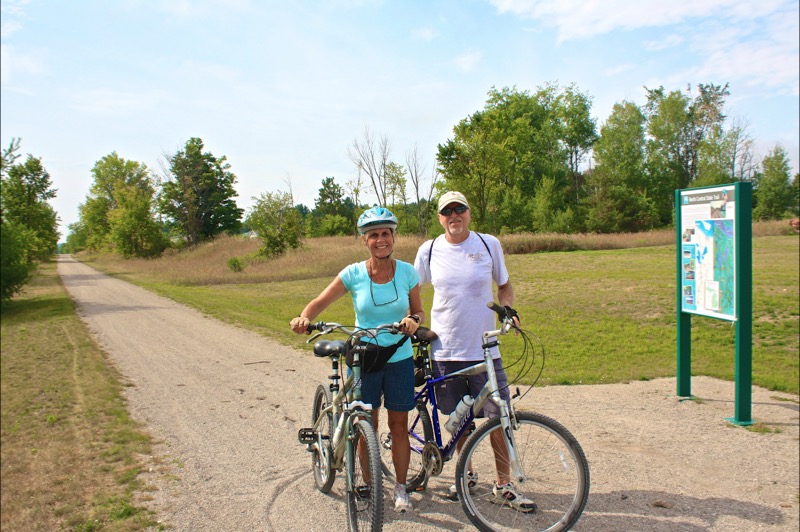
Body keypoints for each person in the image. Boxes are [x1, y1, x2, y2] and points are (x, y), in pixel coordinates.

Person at [290, 206, 424, 514]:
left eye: (386, 233)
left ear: (394, 237)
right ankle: (367, 482)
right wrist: (303, 317)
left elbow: (418, 310)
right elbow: (319, 302)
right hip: (364, 358)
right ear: (365, 240)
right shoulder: (352, 273)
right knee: (366, 421)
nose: (381, 240)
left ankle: (401, 487)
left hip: (400, 355)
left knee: (399, 424)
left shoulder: (407, 272)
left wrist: (414, 320)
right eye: (374, 235)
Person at [413, 191, 537, 512]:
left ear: (469, 212)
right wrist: (415, 319)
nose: (454, 215)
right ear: (439, 218)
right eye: (447, 211)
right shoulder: (428, 250)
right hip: (445, 349)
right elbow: (413, 288)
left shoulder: (488, 244)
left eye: (460, 209)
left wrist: (507, 309)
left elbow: (504, 285)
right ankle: (465, 475)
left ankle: (503, 484)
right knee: (460, 420)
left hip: (485, 349)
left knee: (498, 417)